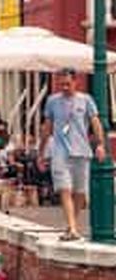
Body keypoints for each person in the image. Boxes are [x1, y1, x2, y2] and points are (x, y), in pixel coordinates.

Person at [39, 68, 106, 241]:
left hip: (82, 151)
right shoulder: (52, 101)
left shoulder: (86, 100)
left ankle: (71, 227)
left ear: (75, 82)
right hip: (60, 152)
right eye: (61, 84)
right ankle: (74, 229)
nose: (65, 87)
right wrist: (41, 152)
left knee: (80, 194)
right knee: (65, 189)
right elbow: (46, 127)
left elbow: (95, 123)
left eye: (68, 84)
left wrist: (100, 145)